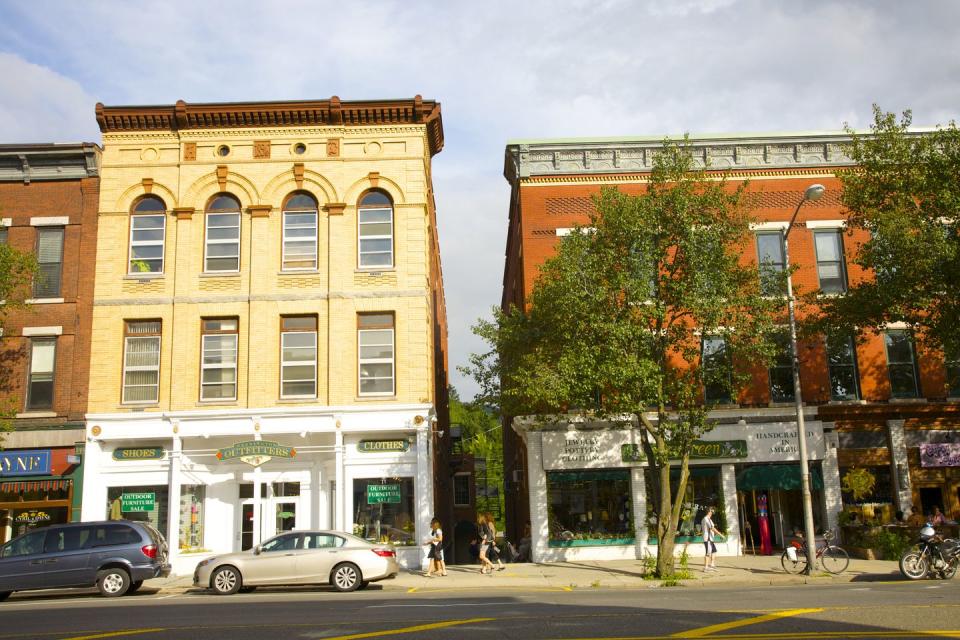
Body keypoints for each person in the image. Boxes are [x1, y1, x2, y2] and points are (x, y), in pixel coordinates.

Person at [701, 506, 724, 572]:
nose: (712, 512)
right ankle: (706, 568)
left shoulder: (709, 519)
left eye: (712, 511)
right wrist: (721, 535)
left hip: (710, 539)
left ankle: (712, 565)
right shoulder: (706, 519)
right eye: (711, 511)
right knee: (708, 553)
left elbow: (712, 529)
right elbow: (712, 528)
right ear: (709, 511)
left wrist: (717, 534)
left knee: (714, 551)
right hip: (708, 539)